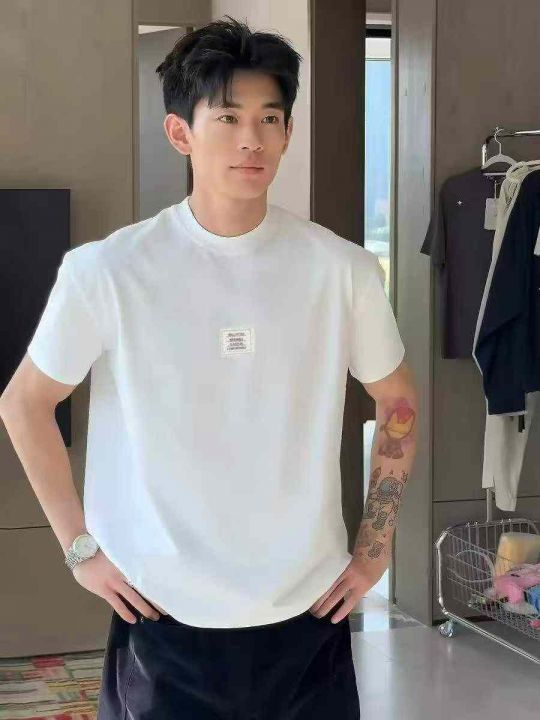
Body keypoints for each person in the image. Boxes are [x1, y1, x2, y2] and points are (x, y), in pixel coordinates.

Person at [0, 15, 418, 720]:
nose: (252, 139)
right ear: (180, 133)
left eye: (269, 118)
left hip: (307, 609)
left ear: (288, 132)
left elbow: (397, 400)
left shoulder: (342, 269)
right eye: (227, 117)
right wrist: (79, 549)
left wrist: (375, 550)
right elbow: (25, 403)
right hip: (160, 611)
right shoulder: (108, 270)